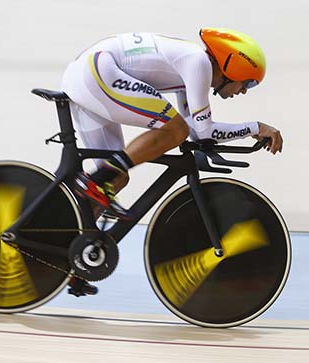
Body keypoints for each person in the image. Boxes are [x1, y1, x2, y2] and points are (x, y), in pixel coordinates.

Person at [61, 28, 283, 296]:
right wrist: (255, 127)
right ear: (232, 67)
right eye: (248, 83)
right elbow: (199, 130)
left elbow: (196, 128)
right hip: (97, 72)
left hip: (89, 74)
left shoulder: (192, 69)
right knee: (170, 130)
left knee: (116, 180)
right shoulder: (199, 63)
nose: (245, 91)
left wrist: (236, 133)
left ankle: (71, 262)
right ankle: (96, 180)